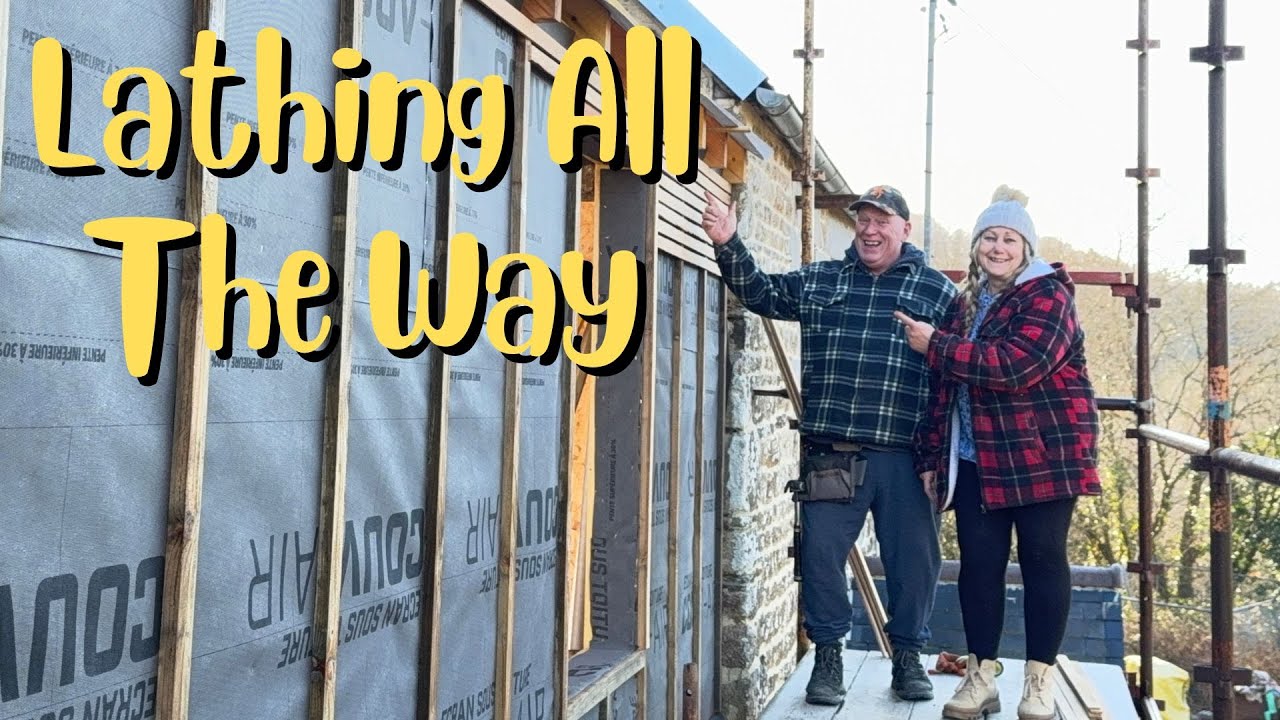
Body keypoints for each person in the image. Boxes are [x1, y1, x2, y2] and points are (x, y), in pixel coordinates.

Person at [702, 185, 957, 706]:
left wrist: (943, 459)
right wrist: (728, 242)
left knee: (913, 565)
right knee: (820, 558)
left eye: (882, 220)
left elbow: (956, 377)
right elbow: (762, 293)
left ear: (904, 229)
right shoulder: (822, 278)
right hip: (833, 454)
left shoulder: (939, 294)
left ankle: (907, 658)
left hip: (908, 459)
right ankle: (829, 657)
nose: (869, 229)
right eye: (862, 219)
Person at [895, 188, 1101, 720]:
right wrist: (931, 457)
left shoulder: (1048, 296)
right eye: (989, 236)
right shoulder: (965, 302)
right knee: (979, 569)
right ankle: (981, 677)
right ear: (976, 245)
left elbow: (1016, 366)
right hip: (974, 457)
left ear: (1026, 247)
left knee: (1043, 562)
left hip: (1042, 457)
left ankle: (1038, 682)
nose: (998, 246)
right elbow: (942, 388)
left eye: (1009, 238)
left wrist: (934, 343)